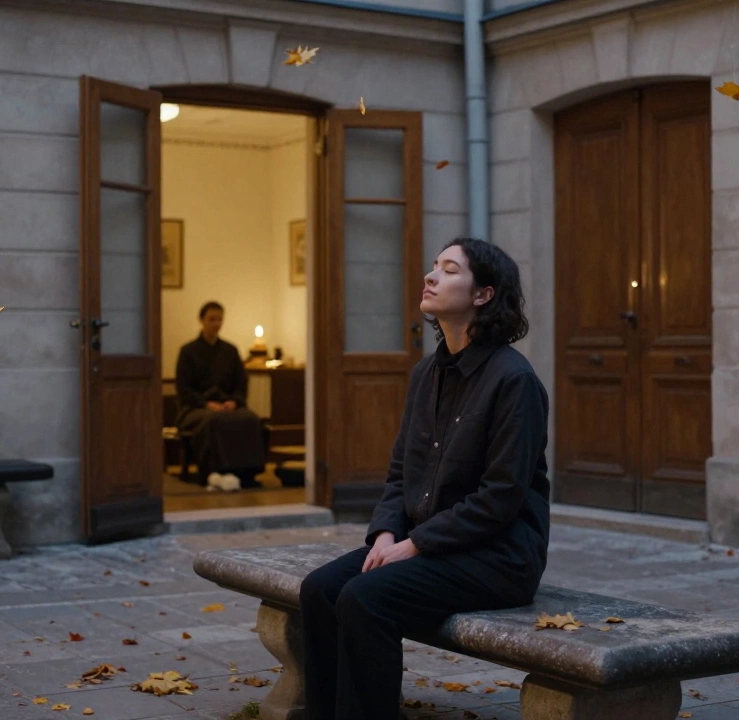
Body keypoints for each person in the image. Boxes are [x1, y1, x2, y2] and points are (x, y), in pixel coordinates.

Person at [299, 238, 551, 720]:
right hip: (430, 544)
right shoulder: (425, 373)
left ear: (483, 295)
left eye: (450, 270)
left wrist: (414, 545)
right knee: (320, 590)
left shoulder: (514, 381)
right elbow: (401, 473)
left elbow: (500, 498)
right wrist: (386, 533)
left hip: (498, 556)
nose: (431, 276)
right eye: (434, 267)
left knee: (366, 598)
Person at [174, 302, 267, 489]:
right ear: (201, 320)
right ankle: (214, 473)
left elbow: (241, 383)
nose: (216, 324)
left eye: (219, 319)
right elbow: (184, 388)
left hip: (227, 404)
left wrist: (234, 401)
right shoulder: (188, 351)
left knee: (250, 419)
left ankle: (247, 473)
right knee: (214, 421)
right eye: (212, 319)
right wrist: (206, 404)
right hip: (196, 408)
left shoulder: (230, 350)